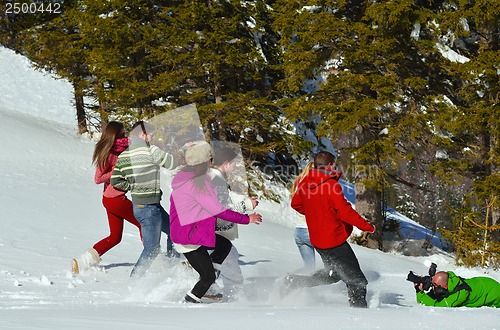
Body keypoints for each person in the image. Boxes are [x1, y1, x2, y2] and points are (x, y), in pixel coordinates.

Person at [169, 140, 262, 303]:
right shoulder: (198, 184)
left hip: (192, 231)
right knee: (207, 277)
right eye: (210, 160)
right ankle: (189, 303)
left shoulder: (190, 177)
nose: (212, 163)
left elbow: (219, 200)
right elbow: (219, 209)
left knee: (224, 245)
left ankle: (209, 279)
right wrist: (247, 218)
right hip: (189, 237)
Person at [289, 151, 375, 308]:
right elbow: (345, 212)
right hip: (334, 242)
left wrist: (317, 214)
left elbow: (296, 204)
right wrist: (366, 226)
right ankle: (360, 314)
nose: (336, 167)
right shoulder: (331, 185)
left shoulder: (305, 182)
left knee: (334, 274)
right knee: (357, 280)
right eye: (334, 165)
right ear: (328, 166)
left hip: (319, 242)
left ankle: (296, 282)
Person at [72, 121, 142, 274]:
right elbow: (98, 178)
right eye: (121, 134)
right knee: (144, 223)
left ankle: (81, 263)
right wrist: (117, 171)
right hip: (115, 200)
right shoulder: (109, 152)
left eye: (125, 134)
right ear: (113, 136)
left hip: (110, 199)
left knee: (115, 237)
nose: (124, 137)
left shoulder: (123, 149)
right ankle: (152, 259)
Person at [110, 120, 178, 278]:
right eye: (151, 135)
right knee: (152, 249)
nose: (152, 138)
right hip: (150, 209)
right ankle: (135, 282)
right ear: (142, 134)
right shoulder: (151, 150)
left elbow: (115, 181)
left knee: (174, 232)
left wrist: (132, 185)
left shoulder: (124, 155)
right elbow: (172, 163)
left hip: (141, 206)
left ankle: (172, 267)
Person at [209, 146, 259, 300]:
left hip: (205, 229)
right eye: (234, 163)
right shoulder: (217, 180)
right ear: (226, 163)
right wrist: (246, 206)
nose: (236, 166)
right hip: (212, 230)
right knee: (229, 259)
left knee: (229, 255)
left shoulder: (210, 176)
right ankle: (234, 296)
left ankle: (224, 290)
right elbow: (222, 210)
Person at [414, 271, 500, 308]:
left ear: (445, 287)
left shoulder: (459, 294)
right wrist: (420, 289)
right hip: (483, 282)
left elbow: (437, 306)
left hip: (493, 292)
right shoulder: (450, 281)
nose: (433, 287)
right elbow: (426, 300)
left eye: (435, 285)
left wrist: (420, 293)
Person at [290, 161, 316, 272]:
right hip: (312, 232)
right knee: (333, 264)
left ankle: (290, 281)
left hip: (299, 231)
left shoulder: (297, 183)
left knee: (309, 268)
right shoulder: (312, 185)